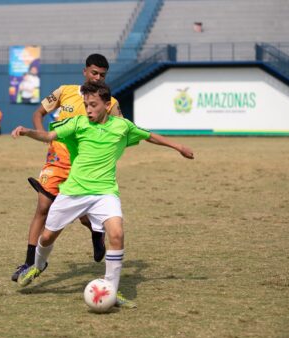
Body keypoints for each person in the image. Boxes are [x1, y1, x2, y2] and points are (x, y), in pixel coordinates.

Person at [12, 81, 194, 308]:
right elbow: (49, 136)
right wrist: (28, 132)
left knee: (117, 234)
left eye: (93, 105)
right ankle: (38, 266)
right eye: (86, 104)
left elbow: (149, 136)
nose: (88, 110)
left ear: (107, 105)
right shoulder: (77, 123)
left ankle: (111, 290)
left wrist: (178, 147)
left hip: (105, 193)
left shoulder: (122, 127)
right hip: (74, 191)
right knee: (47, 237)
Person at [11, 54, 123, 282]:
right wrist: (43, 137)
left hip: (85, 167)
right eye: (94, 73)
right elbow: (38, 113)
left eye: (102, 75)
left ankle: (95, 230)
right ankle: (29, 262)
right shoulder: (65, 91)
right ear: (85, 72)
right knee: (43, 208)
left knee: (83, 215)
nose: (98, 77)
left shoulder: (110, 103)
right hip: (57, 160)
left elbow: (120, 130)